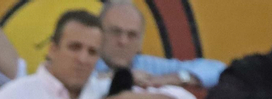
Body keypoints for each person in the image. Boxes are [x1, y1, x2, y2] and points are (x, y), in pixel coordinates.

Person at [0, 9, 200, 99]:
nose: (83, 59)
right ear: (53, 49)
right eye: (75, 47)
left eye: (92, 51)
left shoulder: (106, 90)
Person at [96, 0, 227, 90]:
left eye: (132, 35)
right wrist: (121, 78)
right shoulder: (83, 61)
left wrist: (178, 78)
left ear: (140, 44)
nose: (123, 41)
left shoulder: (146, 66)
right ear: (98, 35)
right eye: (115, 32)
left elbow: (219, 69)